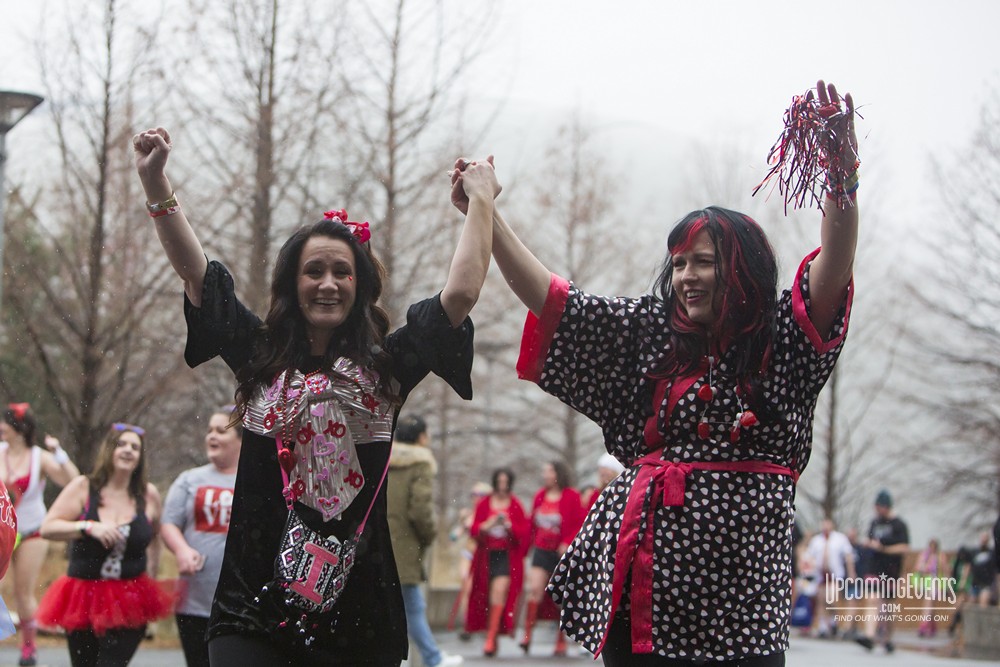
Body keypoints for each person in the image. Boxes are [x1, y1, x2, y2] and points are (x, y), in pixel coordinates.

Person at [462, 79, 858, 665]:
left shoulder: (783, 340)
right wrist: (486, 208)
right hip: (645, 590)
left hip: (744, 607)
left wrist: (841, 179)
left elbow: (834, 265)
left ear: (743, 270)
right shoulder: (650, 334)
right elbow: (553, 301)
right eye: (678, 265)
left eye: (703, 262)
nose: (686, 277)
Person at [132, 127, 498, 666]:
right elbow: (197, 276)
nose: (328, 283)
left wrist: (481, 204)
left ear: (360, 287)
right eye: (314, 271)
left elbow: (461, 295)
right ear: (292, 283)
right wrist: (154, 180)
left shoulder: (387, 368)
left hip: (360, 613)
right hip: (250, 607)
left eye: (342, 272)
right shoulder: (258, 355)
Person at [36, 423, 173, 667]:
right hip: (83, 595)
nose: (128, 450)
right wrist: (87, 527)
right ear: (109, 450)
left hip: (131, 596)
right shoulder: (83, 487)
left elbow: (154, 539)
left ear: (141, 457)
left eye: (135, 447)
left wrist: (152, 575)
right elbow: (48, 528)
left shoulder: (148, 494)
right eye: (121, 444)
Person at [160, 407, 243, 667]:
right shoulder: (189, 479)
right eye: (209, 430)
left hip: (238, 603)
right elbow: (169, 524)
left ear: (241, 439)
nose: (211, 436)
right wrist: (182, 550)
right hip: (194, 600)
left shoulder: (251, 481)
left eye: (221, 430)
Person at [1, 402, 81, 666]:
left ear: (18, 428)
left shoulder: (39, 457)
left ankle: (28, 648)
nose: (0, 428)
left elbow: (73, 480)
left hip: (32, 530)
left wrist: (59, 453)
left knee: (23, 591)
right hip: (3, 530)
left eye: (5, 423)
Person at [386, 414, 463, 667]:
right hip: (406, 546)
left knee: (388, 606)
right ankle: (433, 659)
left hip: (380, 544)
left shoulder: (384, 458)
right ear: (420, 437)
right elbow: (420, 509)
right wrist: (430, 535)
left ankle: (406, 658)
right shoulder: (420, 464)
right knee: (414, 607)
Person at [464, 467, 529, 657]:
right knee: (484, 594)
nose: (502, 486)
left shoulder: (515, 504)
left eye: (505, 482)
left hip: (506, 557)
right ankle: (489, 633)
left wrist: (508, 525)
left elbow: (522, 533)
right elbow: (475, 530)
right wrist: (488, 524)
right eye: (499, 482)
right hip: (486, 555)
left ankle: (491, 638)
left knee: (499, 592)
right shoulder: (484, 503)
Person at [520, 460, 583, 656]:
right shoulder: (540, 496)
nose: (545, 475)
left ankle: (560, 640)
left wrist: (567, 541)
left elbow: (577, 523)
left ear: (558, 473)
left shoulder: (571, 496)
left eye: (548, 471)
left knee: (560, 596)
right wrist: (524, 549)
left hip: (560, 553)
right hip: (541, 550)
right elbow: (532, 524)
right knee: (535, 590)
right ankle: (527, 636)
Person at [855, 489, 909, 653]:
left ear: (887, 506)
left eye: (880, 506)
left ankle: (887, 639)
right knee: (872, 600)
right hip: (874, 567)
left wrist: (884, 548)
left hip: (891, 570)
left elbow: (904, 547)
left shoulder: (899, 525)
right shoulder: (874, 523)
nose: (878, 510)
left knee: (887, 607)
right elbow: (871, 540)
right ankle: (869, 636)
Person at [804, 517, 855, 638]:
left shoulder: (840, 539)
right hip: (820, 575)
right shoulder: (816, 540)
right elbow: (809, 556)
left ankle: (835, 623)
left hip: (835, 574)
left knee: (832, 598)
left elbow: (848, 555)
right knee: (822, 600)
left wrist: (851, 572)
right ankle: (824, 626)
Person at [912, 538, 946, 637]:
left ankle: (924, 625)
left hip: (935, 581)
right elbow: (917, 568)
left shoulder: (940, 556)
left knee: (929, 603)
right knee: (930, 604)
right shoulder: (924, 555)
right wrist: (924, 567)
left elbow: (943, 570)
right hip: (925, 581)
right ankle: (932, 626)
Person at [965, 531, 997, 608]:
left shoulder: (991, 553)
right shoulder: (974, 552)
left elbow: (995, 569)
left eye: (986, 538)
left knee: (984, 602)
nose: (984, 540)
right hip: (975, 583)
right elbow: (968, 566)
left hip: (986, 584)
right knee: (971, 603)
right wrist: (964, 580)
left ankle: (983, 620)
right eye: (983, 538)